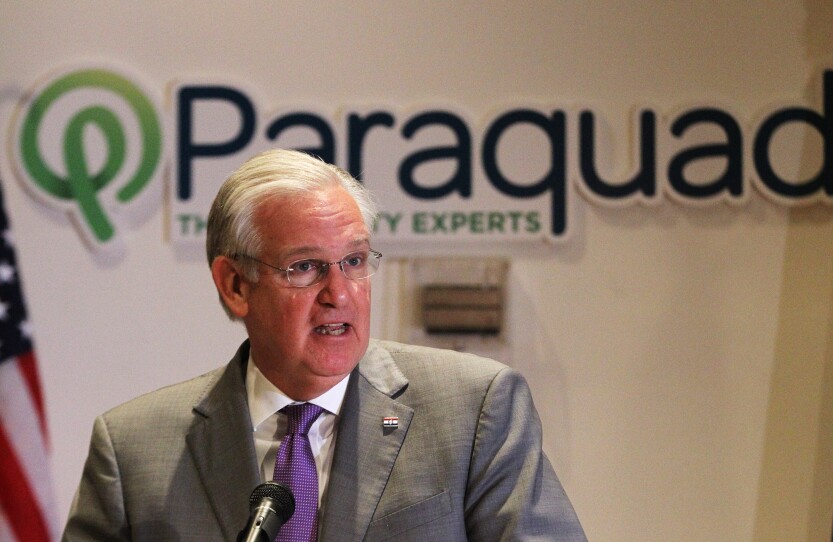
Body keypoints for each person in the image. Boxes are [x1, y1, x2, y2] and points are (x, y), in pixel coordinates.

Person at [62, 149, 587, 541]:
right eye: (305, 267)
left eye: (355, 261)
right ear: (235, 285)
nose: (340, 294)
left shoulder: (474, 410)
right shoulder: (132, 450)